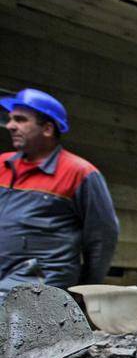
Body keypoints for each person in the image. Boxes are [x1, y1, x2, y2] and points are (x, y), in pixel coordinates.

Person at [0, 88, 119, 298]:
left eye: (20, 120)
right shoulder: (2, 164)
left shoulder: (80, 172)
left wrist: (85, 291)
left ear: (47, 128)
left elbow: (103, 236)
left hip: (39, 282)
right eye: (10, 119)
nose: (10, 125)